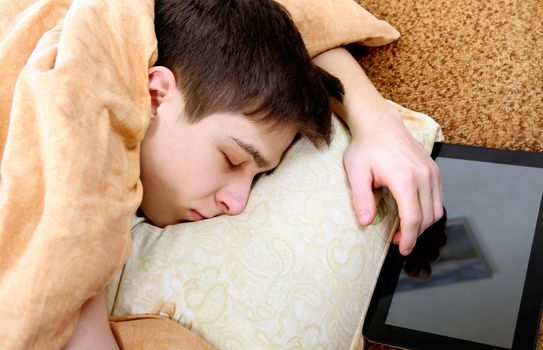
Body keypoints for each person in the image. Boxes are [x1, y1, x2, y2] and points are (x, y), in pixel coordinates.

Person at [64, 0, 443, 347]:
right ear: (156, 95)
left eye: (258, 176)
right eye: (231, 160)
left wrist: (375, 121)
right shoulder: (74, 110)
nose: (238, 202)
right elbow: (61, 266)